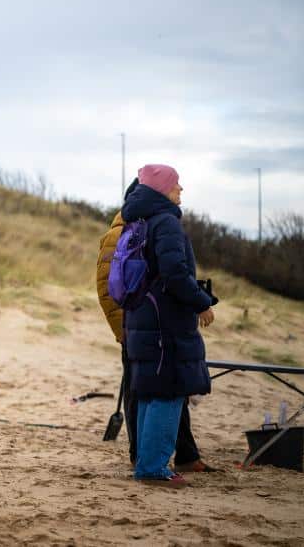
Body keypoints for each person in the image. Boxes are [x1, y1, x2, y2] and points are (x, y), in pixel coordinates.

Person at [97, 178, 217, 473]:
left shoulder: (142, 226)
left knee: (169, 387)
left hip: (141, 325)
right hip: (138, 327)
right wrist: (123, 331)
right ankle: (143, 457)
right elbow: (109, 288)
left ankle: (185, 455)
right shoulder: (124, 232)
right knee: (146, 392)